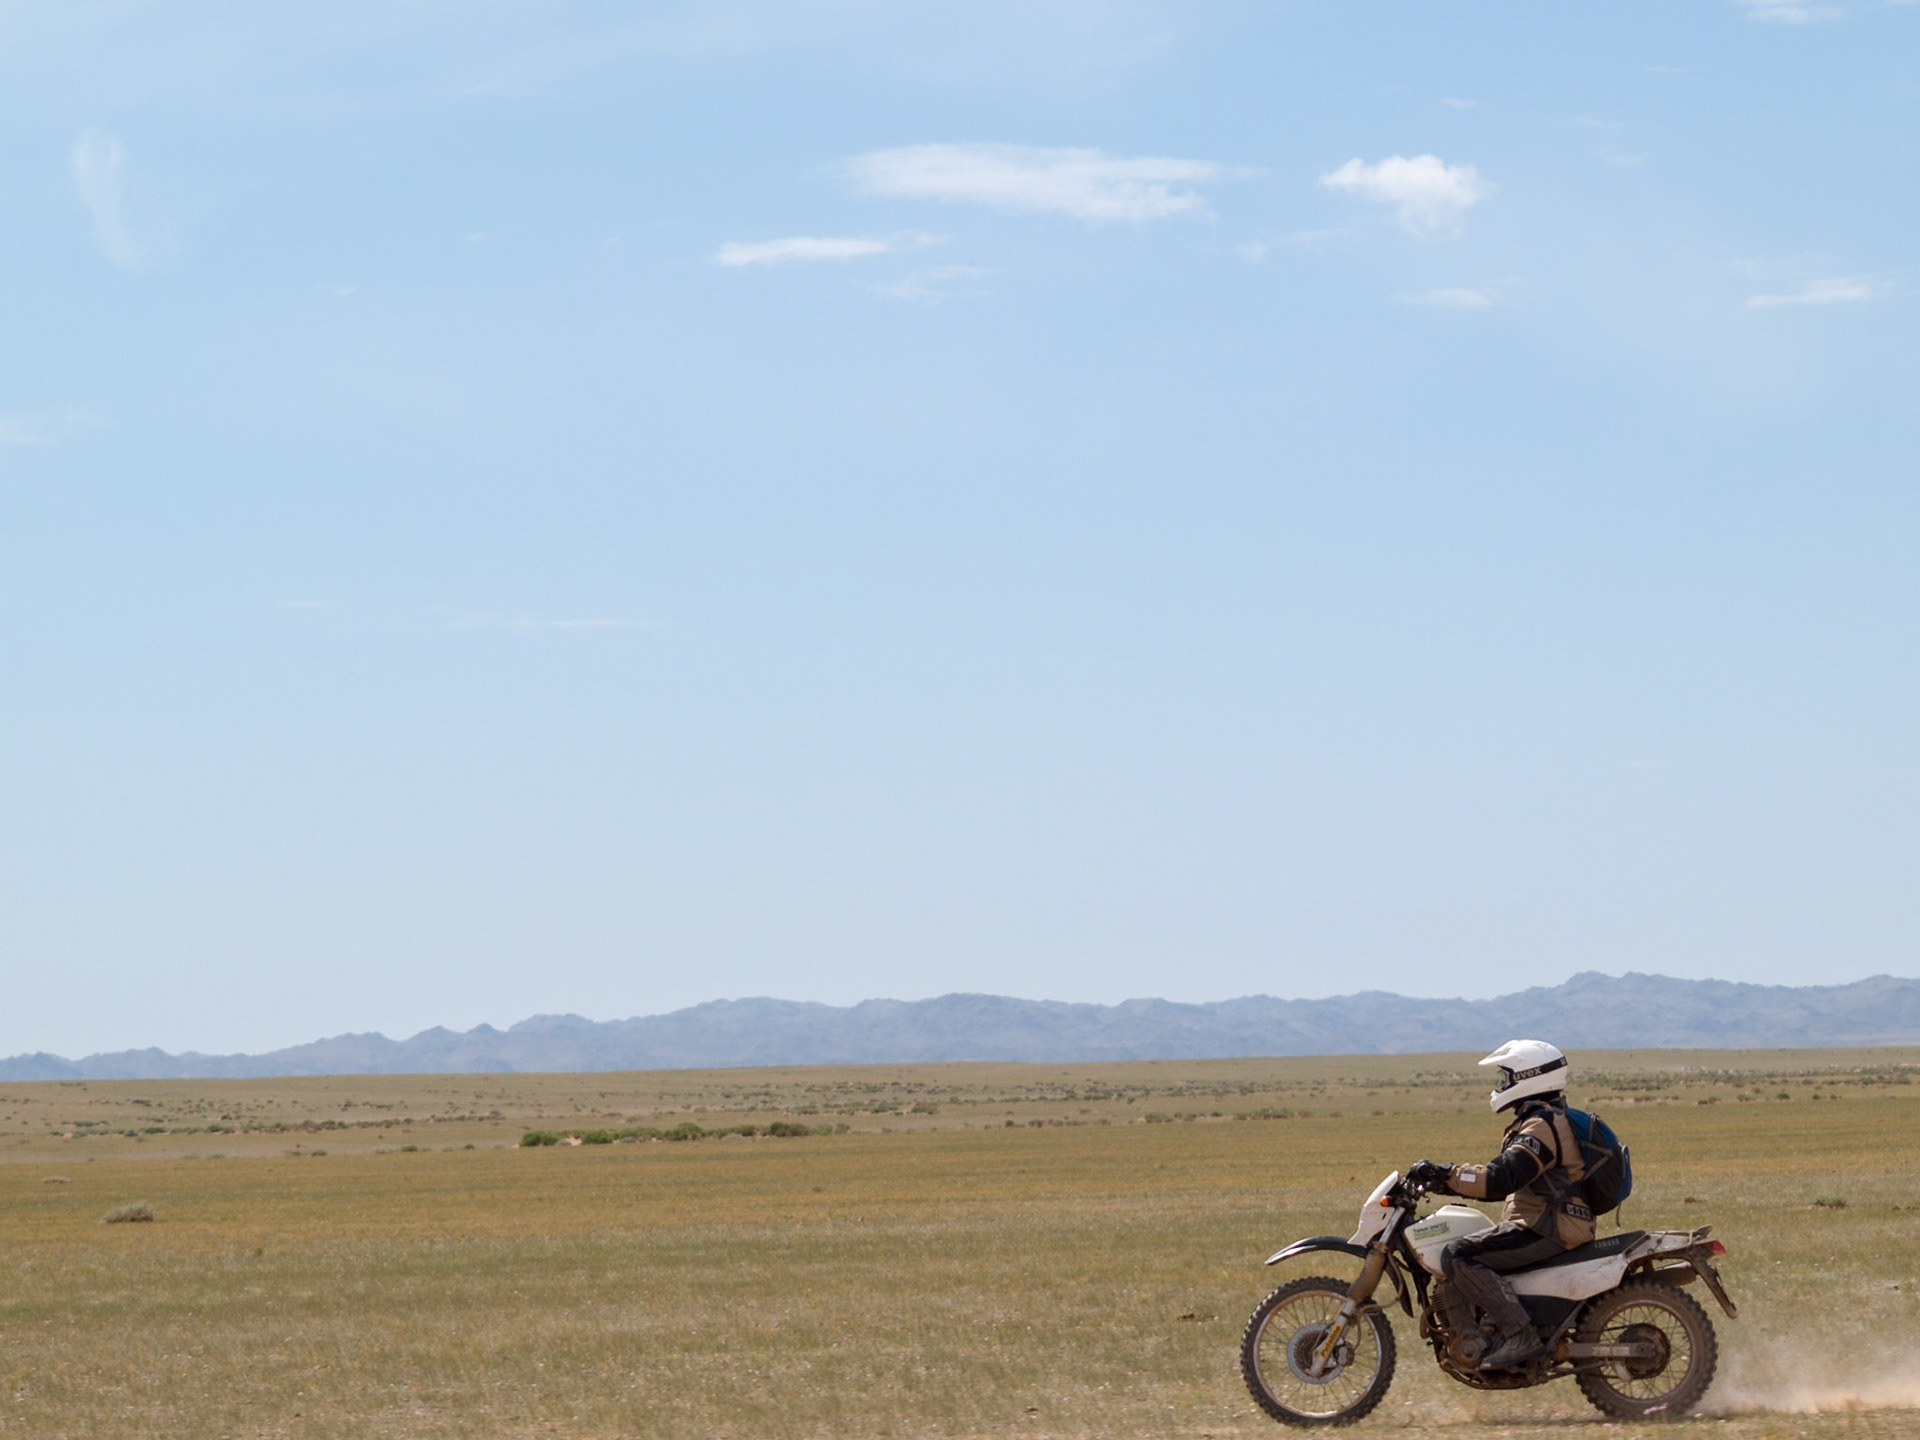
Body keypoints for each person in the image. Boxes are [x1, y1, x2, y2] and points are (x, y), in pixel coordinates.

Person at [1405, 1039, 1594, 1371]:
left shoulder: (1542, 1126)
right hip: (1549, 1222)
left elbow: (1500, 1179)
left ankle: (1520, 1334)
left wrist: (1446, 1175)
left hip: (1549, 1227)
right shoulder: (1542, 1120)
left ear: (1529, 1077)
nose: (1501, 1086)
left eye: (1507, 1078)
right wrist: (1448, 1178)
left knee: (1458, 1255)